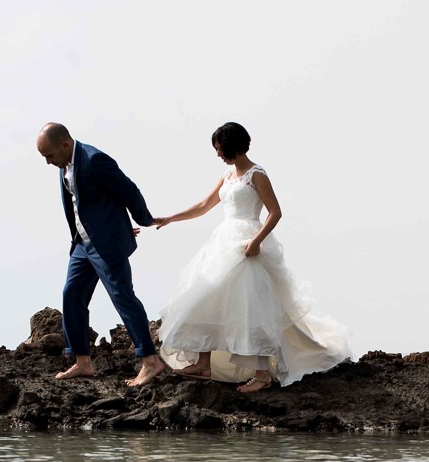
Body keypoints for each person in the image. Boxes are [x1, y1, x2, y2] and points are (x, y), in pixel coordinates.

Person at [129, 122, 350, 392]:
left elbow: (275, 212)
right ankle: (203, 364)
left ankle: (261, 375)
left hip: (247, 242)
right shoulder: (226, 175)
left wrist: (256, 241)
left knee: (249, 306)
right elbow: (203, 205)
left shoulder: (257, 174)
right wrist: (170, 218)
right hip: (223, 241)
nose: (218, 154)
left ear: (233, 146)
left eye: (220, 148)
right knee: (205, 298)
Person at [35, 123, 164, 382]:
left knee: (122, 297)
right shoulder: (64, 164)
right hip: (82, 245)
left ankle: (150, 361)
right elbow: (86, 204)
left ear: (65, 145)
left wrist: (143, 219)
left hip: (105, 246)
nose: (48, 162)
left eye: (49, 156)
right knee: (71, 295)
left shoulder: (95, 160)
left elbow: (128, 190)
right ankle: (83, 362)